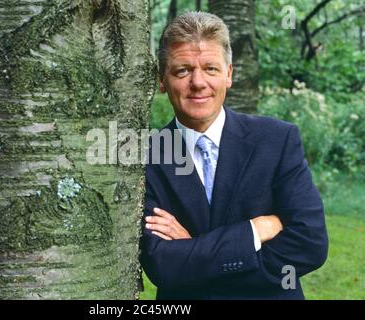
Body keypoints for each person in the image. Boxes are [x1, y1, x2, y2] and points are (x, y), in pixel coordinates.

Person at [139, 12, 328, 300]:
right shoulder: (146, 156)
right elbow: (163, 265)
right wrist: (254, 231)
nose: (198, 82)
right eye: (182, 70)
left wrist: (195, 252)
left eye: (211, 69)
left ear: (229, 75)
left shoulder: (277, 140)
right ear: (162, 80)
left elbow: (309, 244)